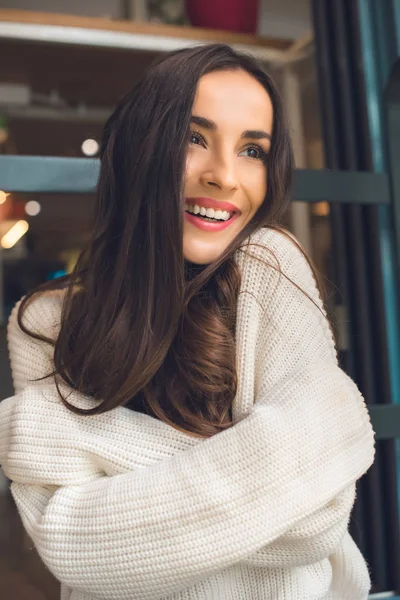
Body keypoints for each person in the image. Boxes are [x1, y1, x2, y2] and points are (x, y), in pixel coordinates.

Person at [0, 43, 375, 600]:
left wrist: (91, 449)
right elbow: (69, 541)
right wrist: (279, 476)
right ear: (141, 148)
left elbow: (318, 517)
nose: (224, 176)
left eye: (253, 150)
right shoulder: (46, 321)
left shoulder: (268, 266)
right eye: (194, 139)